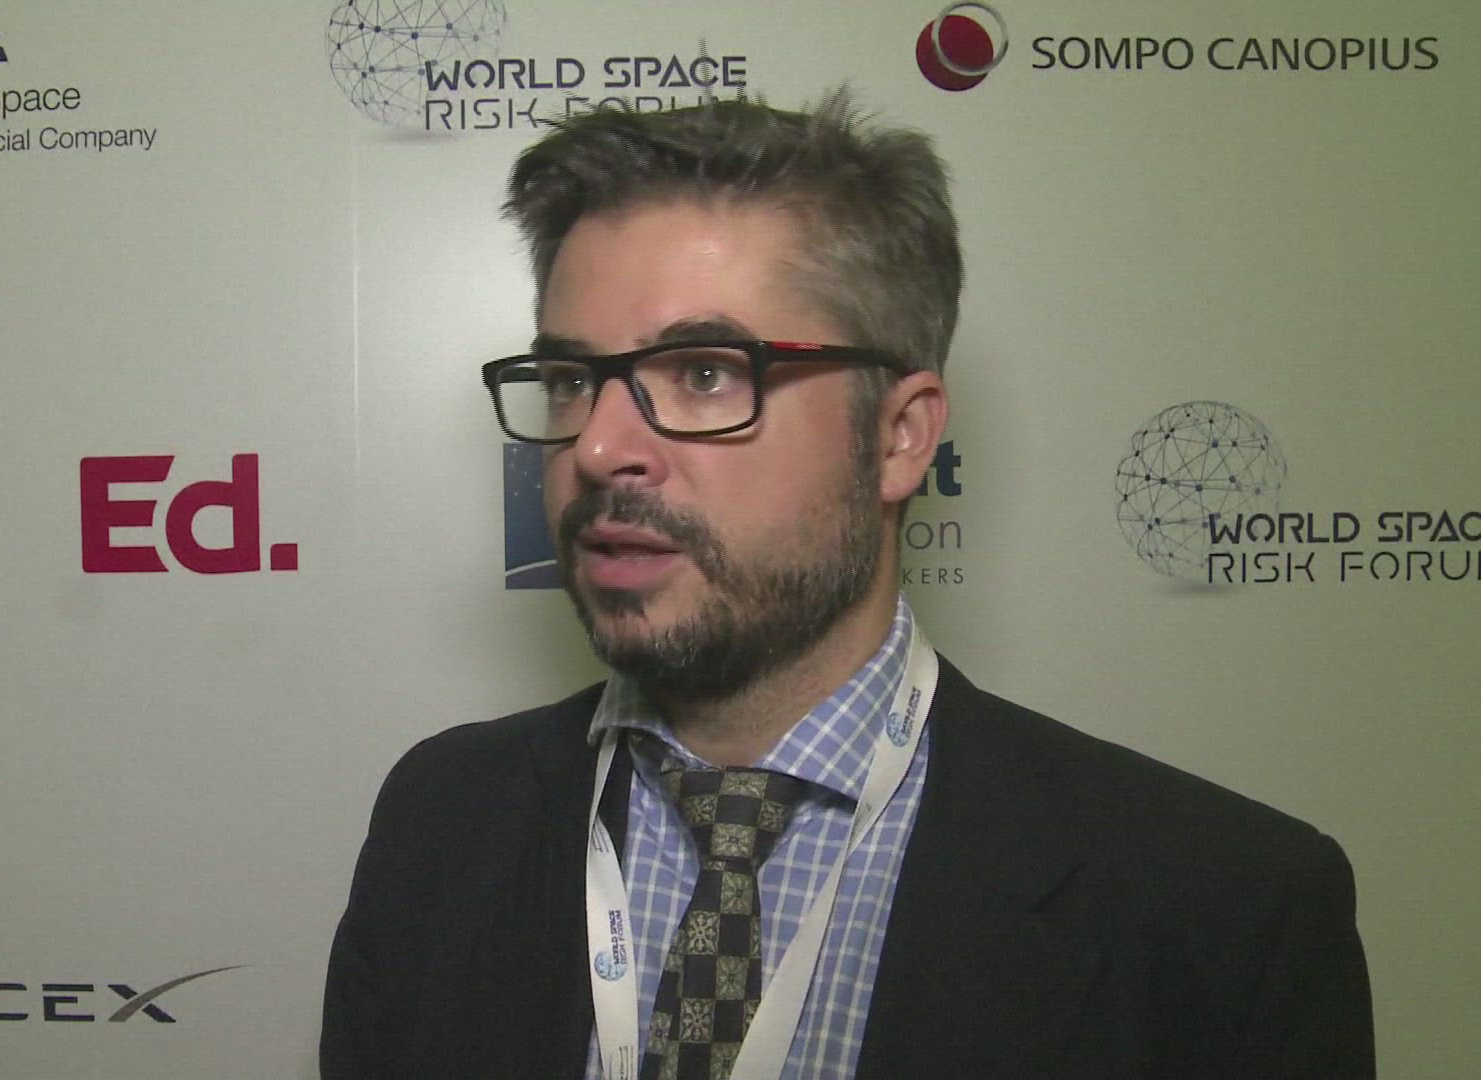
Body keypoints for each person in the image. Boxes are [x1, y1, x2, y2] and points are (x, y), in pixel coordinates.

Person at [321, 90, 1374, 1080]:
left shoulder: (1223, 911)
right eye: (568, 381)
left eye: (704, 375)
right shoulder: (442, 822)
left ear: (900, 436)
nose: (597, 449)